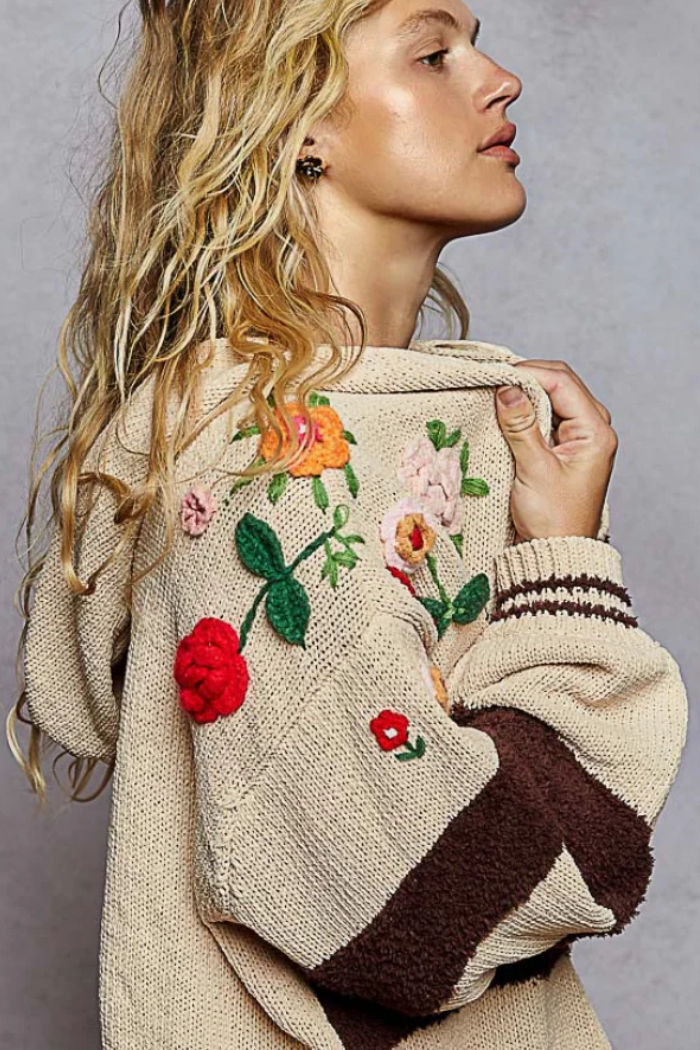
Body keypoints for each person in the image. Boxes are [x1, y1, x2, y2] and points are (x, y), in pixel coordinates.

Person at [8, 1, 688, 1048]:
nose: (500, 79)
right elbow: (446, 904)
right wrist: (566, 575)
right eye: (434, 53)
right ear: (298, 122)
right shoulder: (262, 465)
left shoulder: (434, 429)